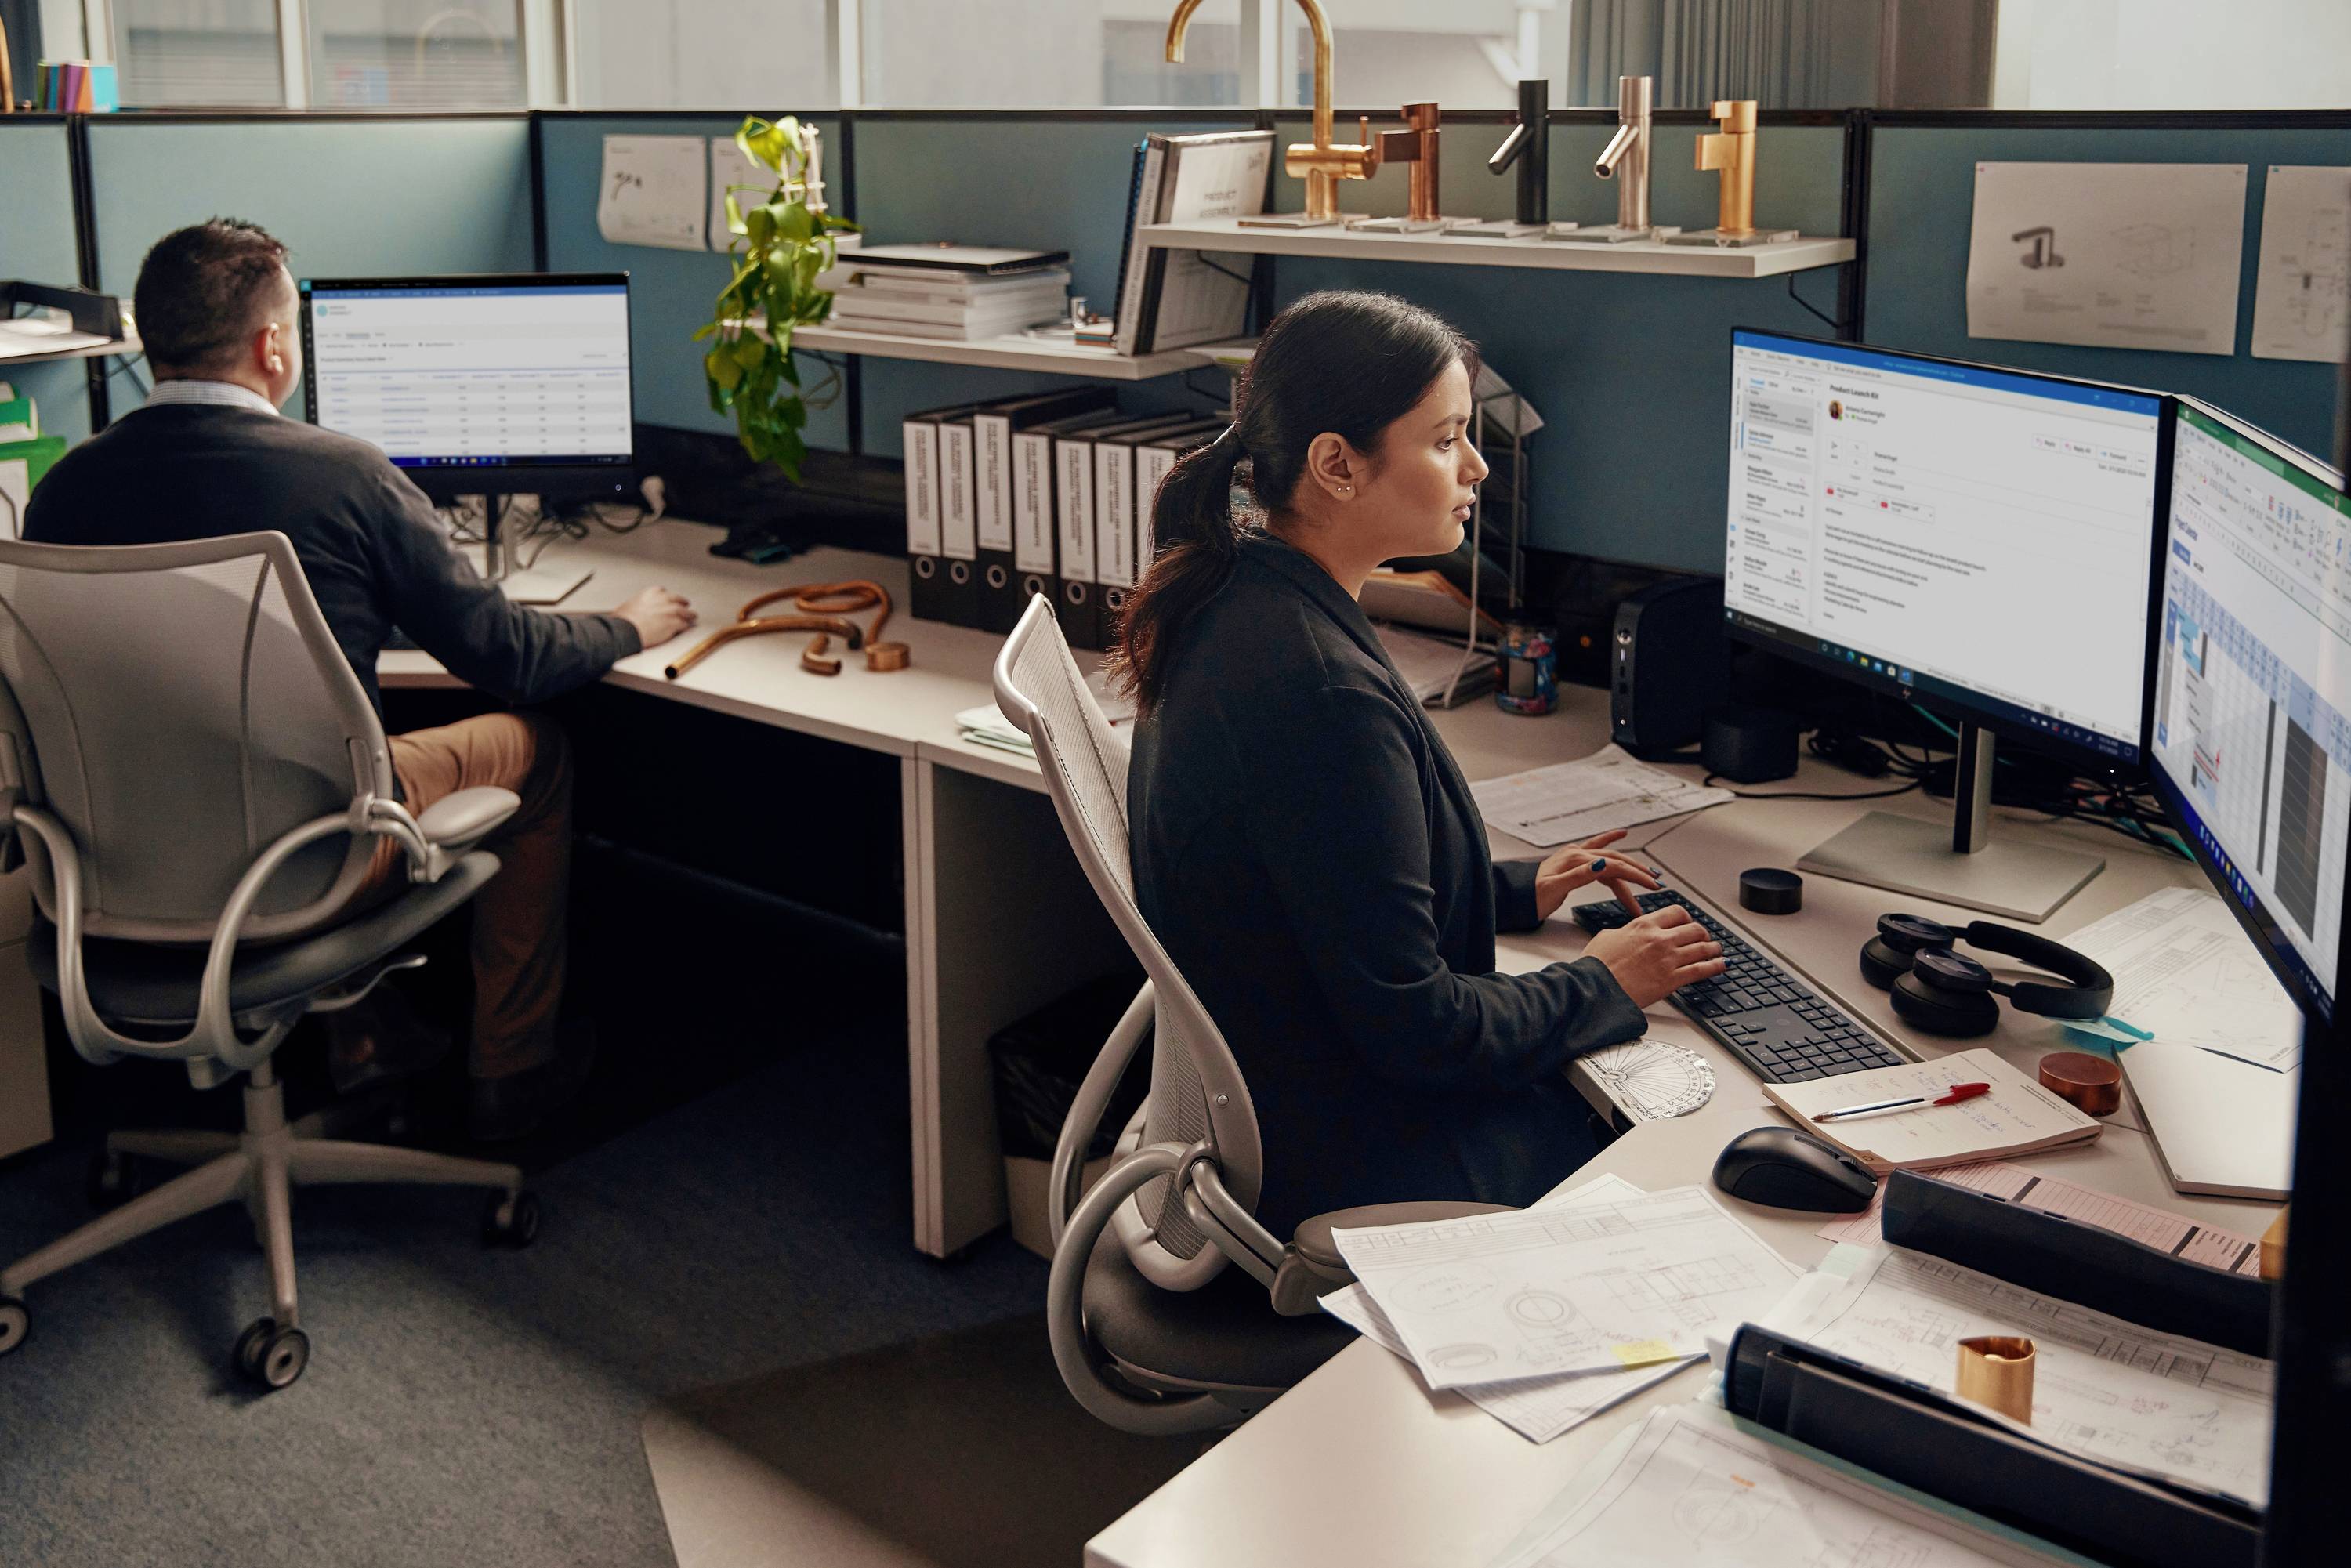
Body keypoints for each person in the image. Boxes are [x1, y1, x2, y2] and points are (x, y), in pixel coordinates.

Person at [24, 219, 699, 1141]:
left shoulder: (65, 489)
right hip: (310, 856)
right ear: (273, 348)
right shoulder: (344, 477)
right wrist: (630, 624)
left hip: (118, 869)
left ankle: (365, 1036)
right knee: (533, 747)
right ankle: (511, 1070)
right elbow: (510, 658)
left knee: (278, 756)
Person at [1111, 290, 1726, 1237]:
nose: (1476, 466)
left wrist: (1513, 889)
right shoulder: (1317, 687)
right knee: (1701, 1151)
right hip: (1363, 1154)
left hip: (1303, 1107)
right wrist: (1606, 982)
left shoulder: (1241, 597)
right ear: (1336, 466)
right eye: (1445, 441)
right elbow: (1420, 1030)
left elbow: (1324, 879)